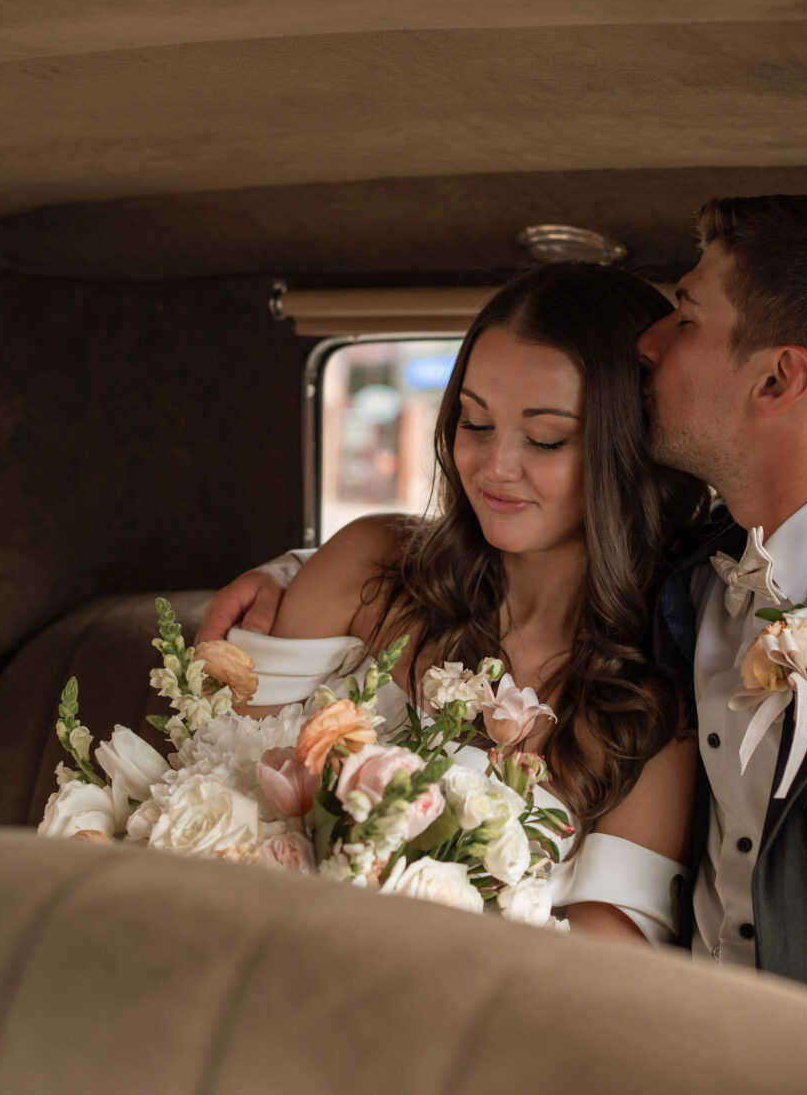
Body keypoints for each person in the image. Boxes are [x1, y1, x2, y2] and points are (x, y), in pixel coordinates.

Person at [208, 197, 807, 1095]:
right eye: (480, 423)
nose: (649, 341)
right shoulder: (692, 579)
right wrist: (291, 575)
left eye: (685, 315)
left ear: (778, 378)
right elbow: (513, 564)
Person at [235, 261, 709, 943]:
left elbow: (610, 972)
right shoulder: (367, 569)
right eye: (475, 422)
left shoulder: (652, 713)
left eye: (545, 437)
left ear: (625, 449)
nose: (495, 466)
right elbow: (216, 769)